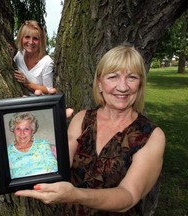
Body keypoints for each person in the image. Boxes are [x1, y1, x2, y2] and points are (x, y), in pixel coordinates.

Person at [14, 44, 166, 215]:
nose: (123, 87)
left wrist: (75, 195)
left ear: (140, 84)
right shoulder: (82, 119)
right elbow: (56, 168)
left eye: (131, 77)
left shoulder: (151, 136)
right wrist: (45, 120)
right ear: (100, 83)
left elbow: (128, 196)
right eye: (113, 77)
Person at [7, 112, 58, 179]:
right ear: (13, 130)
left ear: (32, 130)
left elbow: (54, 167)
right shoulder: (7, 152)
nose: (22, 133)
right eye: (18, 129)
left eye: (26, 129)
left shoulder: (42, 145)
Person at [14, 20, 54, 95]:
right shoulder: (18, 55)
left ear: (41, 41)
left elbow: (49, 90)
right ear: (21, 38)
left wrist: (28, 84)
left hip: (38, 104)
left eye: (35, 39)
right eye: (27, 37)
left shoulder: (47, 62)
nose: (31, 42)